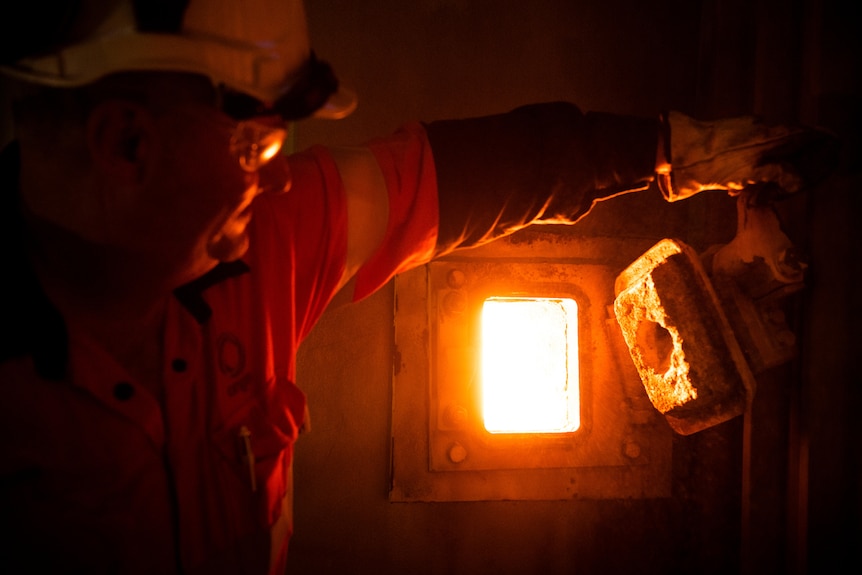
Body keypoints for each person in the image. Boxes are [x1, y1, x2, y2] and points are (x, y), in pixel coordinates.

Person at [0, 1, 831, 573]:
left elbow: (456, 174)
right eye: (254, 146)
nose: (281, 181)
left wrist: (672, 150)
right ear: (126, 146)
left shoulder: (257, 250)